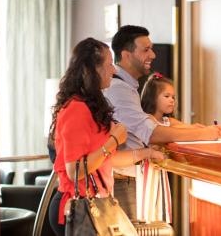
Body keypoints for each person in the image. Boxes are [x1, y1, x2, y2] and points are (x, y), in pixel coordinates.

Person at [104, 25, 221, 220]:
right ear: (126, 55)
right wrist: (205, 134)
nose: (153, 54)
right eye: (145, 49)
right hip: (123, 182)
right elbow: (151, 133)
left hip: (128, 180)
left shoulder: (127, 87)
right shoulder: (120, 90)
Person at [48, 38, 163, 236]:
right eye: (109, 64)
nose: (114, 70)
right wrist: (114, 141)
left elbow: (106, 160)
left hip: (96, 203)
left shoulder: (90, 106)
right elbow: (75, 171)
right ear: (92, 70)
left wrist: (146, 153)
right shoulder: (76, 108)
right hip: (79, 207)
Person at [141, 72, 206, 128]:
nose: (172, 100)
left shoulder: (168, 121)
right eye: (167, 96)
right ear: (152, 97)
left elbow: (191, 127)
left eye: (173, 97)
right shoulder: (147, 120)